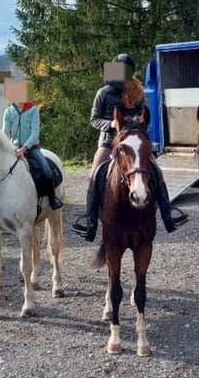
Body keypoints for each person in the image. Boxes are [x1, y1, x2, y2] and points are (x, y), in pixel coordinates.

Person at [72, 53, 187, 242]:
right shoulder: (103, 93)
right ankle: (90, 222)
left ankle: (168, 216)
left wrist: (135, 126)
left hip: (134, 142)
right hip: (109, 142)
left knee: (157, 172)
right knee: (94, 176)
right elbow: (94, 119)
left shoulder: (137, 92)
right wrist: (111, 124)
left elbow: (143, 117)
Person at [2, 98, 63, 211]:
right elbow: (5, 133)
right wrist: (6, 148)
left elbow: (35, 133)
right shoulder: (8, 112)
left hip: (31, 148)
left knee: (46, 170)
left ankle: (52, 199)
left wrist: (24, 148)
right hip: (14, 148)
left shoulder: (33, 110)